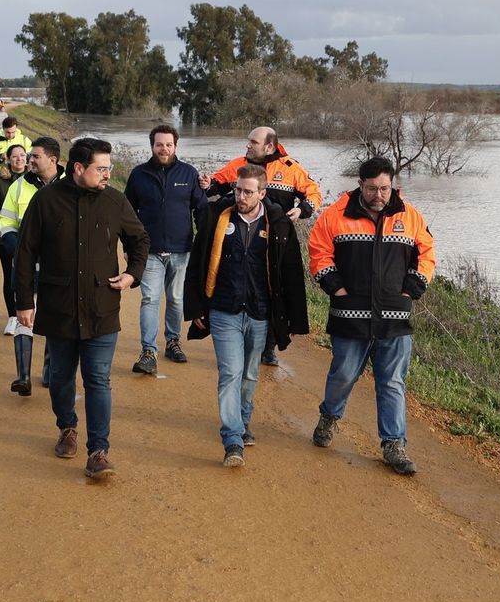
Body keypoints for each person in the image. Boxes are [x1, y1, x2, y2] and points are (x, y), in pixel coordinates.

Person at [14, 137, 148, 479]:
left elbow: (140, 240)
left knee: (98, 380)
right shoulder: (46, 201)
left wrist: (132, 274)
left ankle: (98, 451)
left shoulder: (115, 202)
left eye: (109, 168)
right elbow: (25, 253)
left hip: (102, 307)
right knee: (60, 378)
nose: (108, 174)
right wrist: (24, 302)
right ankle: (67, 426)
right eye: (101, 168)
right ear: (78, 168)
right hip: (59, 309)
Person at [307, 157, 436, 476]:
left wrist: (411, 290)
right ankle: (329, 416)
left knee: (392, 382)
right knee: (344, 375)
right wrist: (336, 288)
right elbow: (319, 252)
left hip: (395, 320)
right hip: (350, 316)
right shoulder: (335, 215)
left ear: (393, 185)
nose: (379, 195)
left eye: (384, 188)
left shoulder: (411, 216)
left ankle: (394, 444)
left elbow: (427, 255)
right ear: (360, 185)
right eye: (372, 189)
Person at [183, 164, 308, 466]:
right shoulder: (217, 217)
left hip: (260, 313)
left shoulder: (278, 223)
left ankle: (243, 419)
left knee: (250, 375)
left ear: (262, 193)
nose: (240, 196)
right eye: (238, 190)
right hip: (224, 309)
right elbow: (198, 262)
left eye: (248, 192)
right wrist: (197, 306)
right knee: (230, 373)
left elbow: (291, 273)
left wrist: (292, 319)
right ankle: (232, 439)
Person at [202, 126, 322, 367]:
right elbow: (217, 184)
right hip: (241, 237)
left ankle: (268, 346)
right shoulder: (239, 165)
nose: (248, 146)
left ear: (269, 146)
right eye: (248, 142)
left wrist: (303, 210)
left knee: (274, 289)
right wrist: (207, 184)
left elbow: (314, 192)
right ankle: (239, 339)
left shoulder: (290, 169)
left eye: (253, 142)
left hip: (276, 242)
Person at [124, 124, 205, 376]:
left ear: (175, 146)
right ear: (152, 146)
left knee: (177, 300)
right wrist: (129, 248)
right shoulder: (138, 175)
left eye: (169, 144)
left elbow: (201, 211)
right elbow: (127, 214)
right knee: (150, 299)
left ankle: (173, 342)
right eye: (159, 144)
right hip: (149, 252)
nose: (164, 149)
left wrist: (204, 246)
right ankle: (148, 351)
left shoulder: (189, 174)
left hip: (182, 251)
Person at [0, 136, 62, 396]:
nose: (29, 160)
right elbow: (6, 221)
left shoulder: (69, 186)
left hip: (59, 268)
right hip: (26, 264)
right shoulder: (18, 186)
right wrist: (19, 250)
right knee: (25, 315)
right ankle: (23, 376)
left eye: (35, 156)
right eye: (29, 156)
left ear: (52, 159)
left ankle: (49, 370)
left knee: (55, 320)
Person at [0, 143, 28, 337]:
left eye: (22, 156)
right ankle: (12, 317)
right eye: (15, 156)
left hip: (31, 238)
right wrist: (4, 222)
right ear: (9, 159)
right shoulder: (0, 180)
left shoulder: (34, 179)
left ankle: (29, 316)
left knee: (31, 276)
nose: (19, 159)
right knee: (10, 275)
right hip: (6, 237)